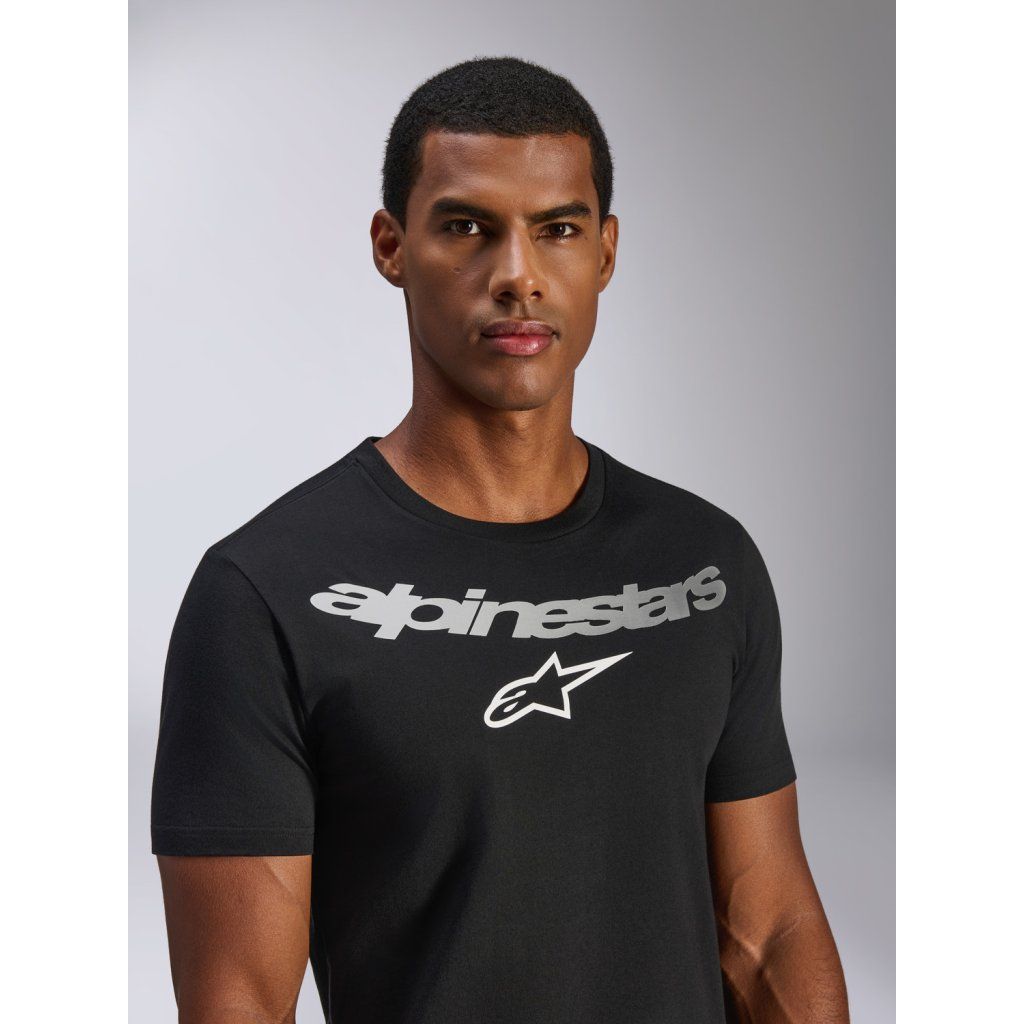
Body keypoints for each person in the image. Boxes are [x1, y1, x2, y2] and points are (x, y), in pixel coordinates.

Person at [151, 56, 849, 1024]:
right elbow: (240, 1001)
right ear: (392, 246)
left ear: (604, 253)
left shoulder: (704, 564)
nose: (518, 276)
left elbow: (768, 932)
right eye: (467, 227)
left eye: (557, 229)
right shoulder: (267, 590)